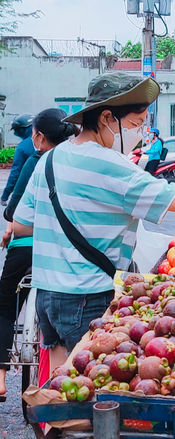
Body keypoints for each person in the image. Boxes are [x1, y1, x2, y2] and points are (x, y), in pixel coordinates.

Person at [12, 73, 175, 373]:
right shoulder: (109, 164)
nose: (141, 131)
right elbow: (173, 200)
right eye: (137, 123)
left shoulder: (50, 158)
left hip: (47, 294)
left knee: (61, 391)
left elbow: (21, 224)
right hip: (87, 295)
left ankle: (50, 423)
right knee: (90, 389)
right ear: (107, 118)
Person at [0, 109, 77, 396]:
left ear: (39, 137)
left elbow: (13, 210)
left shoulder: (36, 160)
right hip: (60, 250)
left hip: (24, 248)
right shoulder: (75, 161)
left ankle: (0, 378)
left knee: (5, 306)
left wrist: (11, 225)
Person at [1, 114, 35, 206]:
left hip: (29, 189)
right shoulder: (50, 140)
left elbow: (15, 173)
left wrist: (5, 195)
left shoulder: (23, 147)